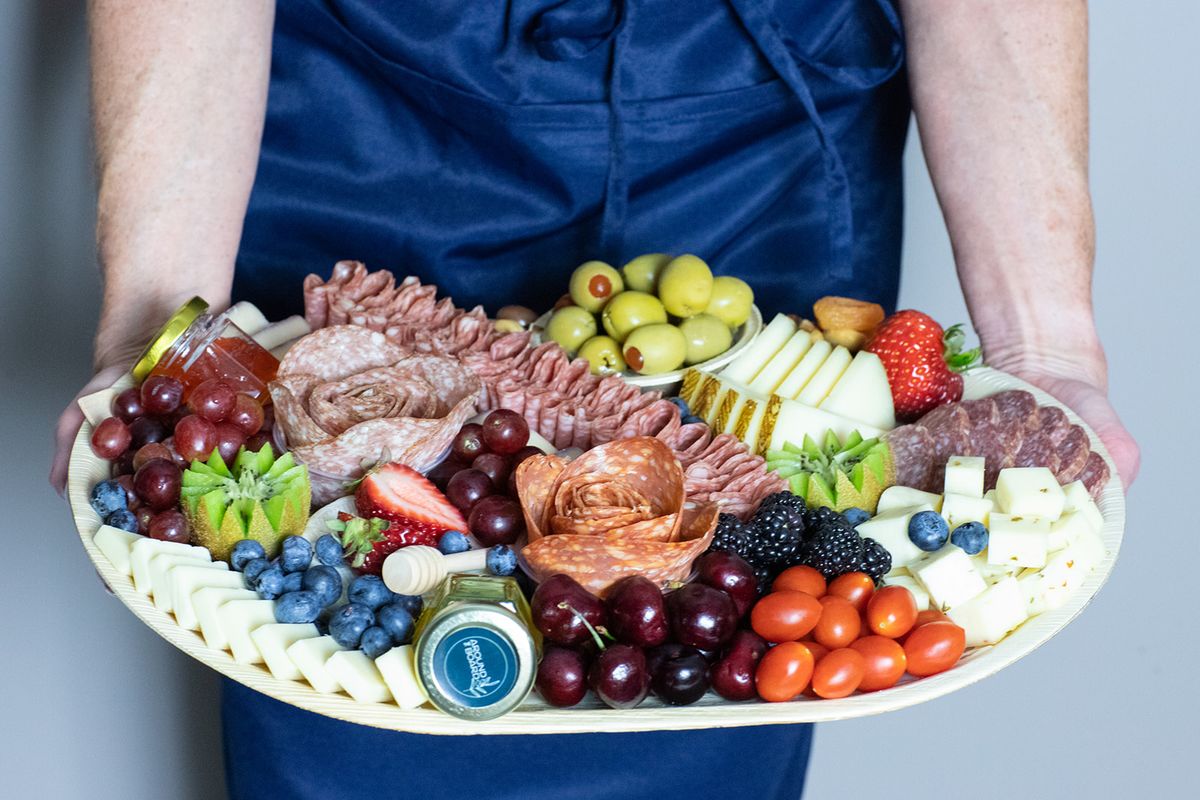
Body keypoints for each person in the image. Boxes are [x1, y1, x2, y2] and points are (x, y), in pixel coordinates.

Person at [54, 1, 1139, 798]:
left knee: (708, 661)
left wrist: (1047, 344)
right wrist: (148, 329)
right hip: (375, 111)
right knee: (343, 651)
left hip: (753, 120)